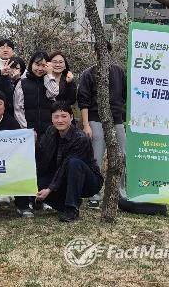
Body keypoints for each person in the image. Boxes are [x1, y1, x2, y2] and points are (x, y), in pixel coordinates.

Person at [32, 101, 104, 222]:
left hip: (87, 181)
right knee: (35, 183)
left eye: (64, 116)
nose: (60, 120)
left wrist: (49, 189)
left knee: (73, 163)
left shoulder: (80, 138)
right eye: (56, 117)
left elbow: (65, 165)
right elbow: (41, 156)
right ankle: (65, 204)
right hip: (62, 178)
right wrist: (33, 142)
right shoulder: (50, 131)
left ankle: (71, 208)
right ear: (52, 119)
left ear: (71, 117)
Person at [77, 43, 127, 209]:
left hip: (117, 120)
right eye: (99, 52)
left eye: (105, 52)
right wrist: (86, 125)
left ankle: (119, 192)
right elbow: (83, 101)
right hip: (95, 118)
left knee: (121, 156)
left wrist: (123, 118)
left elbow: (125, 95)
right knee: (96, 158)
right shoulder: (88, 73)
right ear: (95, 53)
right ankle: (94, 194)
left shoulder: (119, 72)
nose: (102, 55)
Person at [13, 51, 55, 137]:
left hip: (49, 131)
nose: (40, 68)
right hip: (29, 132)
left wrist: (50, 74)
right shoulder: (22, 83)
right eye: (37, 64)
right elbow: (18, 109)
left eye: (44, 65)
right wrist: (26, 130)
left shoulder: (50, 81)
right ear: (31, 64)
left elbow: (53, 93)